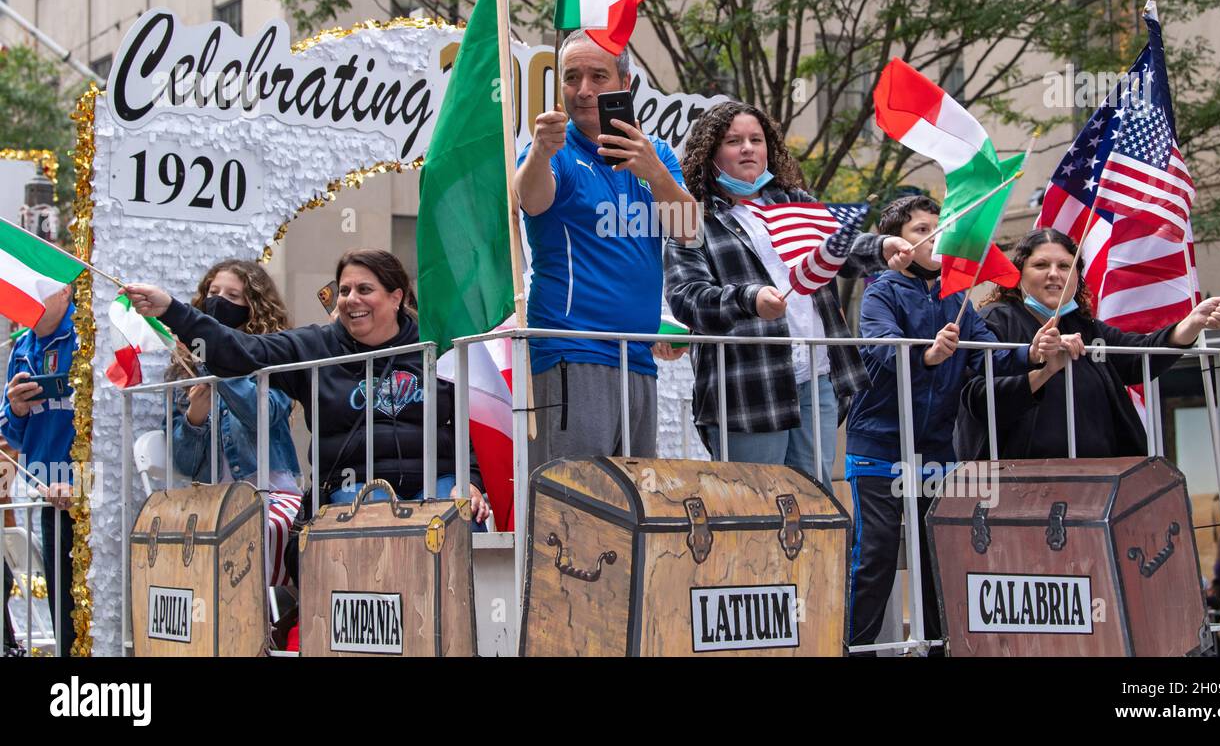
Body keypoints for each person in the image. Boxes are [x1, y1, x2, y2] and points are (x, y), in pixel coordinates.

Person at [123, 249, 490, 523]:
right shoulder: (315, 346)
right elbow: (243, 351)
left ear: (396, 297)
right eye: (344, 290)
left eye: (365, 288)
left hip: (436, 484)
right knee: (367, 518)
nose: (351, 299)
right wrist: (172, 309)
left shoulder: (436, 346)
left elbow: (473, 423)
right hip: (354, 489)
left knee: (458, 515)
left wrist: (471, 482)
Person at [843, 195, 1062, 654]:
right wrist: (927, 353)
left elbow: (991, 353)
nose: (933, 238)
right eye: (921, 230)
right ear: (896, 243)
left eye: (937, 229)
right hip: (879, 447)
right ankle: (854, 647)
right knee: (877, 555)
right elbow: (881, 346)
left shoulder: (954, 296)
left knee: (936, 556)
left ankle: (935, 647)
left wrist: (1032, 352)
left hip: (936, 451)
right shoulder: (880, 289)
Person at [664, 102, 912, 482]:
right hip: (747, 385)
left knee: (816, 503)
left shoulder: (795, 202)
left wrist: (882, 247)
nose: (747, 148)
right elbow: (687, 297)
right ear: (710, 154)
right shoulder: (693, 217)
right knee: (754, 505)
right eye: (733, 141)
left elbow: (838, 247)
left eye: (755, 139)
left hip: (817, 376)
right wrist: (749, 300)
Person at [514, 30, 696, 463]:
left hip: (637, 355)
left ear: (625, 85)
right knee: (575, 507)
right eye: (571, 77)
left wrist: (654, 172)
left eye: (598, 75)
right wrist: (540, 152)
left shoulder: (656, 155)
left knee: (630, 509)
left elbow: (690, 231)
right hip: (571, 351)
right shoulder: (553, 150)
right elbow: (531, 199)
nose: (584, 90)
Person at [955, 228, 1220, 461]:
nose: (1054, 274)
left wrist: (1192, 323)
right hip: (1019, 490)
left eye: (1065, 266)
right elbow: (979, 398)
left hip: (1100, 487)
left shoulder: (1084, 326)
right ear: (1017, 276)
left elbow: (1139, 357)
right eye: (1041, 265)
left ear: (1077, 278)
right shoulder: (993, 321)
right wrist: (1044, 369)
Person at [163, 260, 303, 587]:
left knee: (251, 532)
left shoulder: (273, 355)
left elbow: (263, 415)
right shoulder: (184, 368)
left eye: (233, 295)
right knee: (181, 539)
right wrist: (194, 420)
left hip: (270, 493)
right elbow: (184, 463)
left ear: (253, 306)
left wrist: (220, 366)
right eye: (213, 292)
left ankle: (262, 624)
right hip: (212, 498)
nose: (219, 300)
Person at [1, 285, 77, 656]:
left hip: (93, 488)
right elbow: (10, 433)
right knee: (62, 607)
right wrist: (15, 409)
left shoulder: (86, 335)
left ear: (63, 291)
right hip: (43, 492)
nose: (25, 300)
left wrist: (77, 480)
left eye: (36, 290)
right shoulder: (22, 348)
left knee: (94, 603)